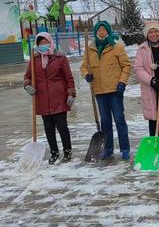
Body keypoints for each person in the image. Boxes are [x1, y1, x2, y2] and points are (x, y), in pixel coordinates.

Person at [81, 21, 131, 160]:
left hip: (115, 90)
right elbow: (84, 66)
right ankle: (108, 149)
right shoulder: (90, 49)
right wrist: (87, 75)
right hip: (99, 91)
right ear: (96, 32)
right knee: (105, 121)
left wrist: (122, 82)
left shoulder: (117, 47)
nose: (102, 32)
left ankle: (125, 149)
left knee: (119, 120)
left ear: (108, 31)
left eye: (104, 29)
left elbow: (126, 66)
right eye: (99, 30)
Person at [23, 32, 76, 164]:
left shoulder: (60, 58)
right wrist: (27, 85)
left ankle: (67, 151)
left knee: (62, 126)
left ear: (50, 42)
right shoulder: (34, 60)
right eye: (40, 44)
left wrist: (71, 94)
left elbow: (69, 78)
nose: (43, 45)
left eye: (45, 43)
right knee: (48, 128)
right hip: (42, 99)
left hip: (59, 97)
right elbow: (27, 76)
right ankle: (54, 152)